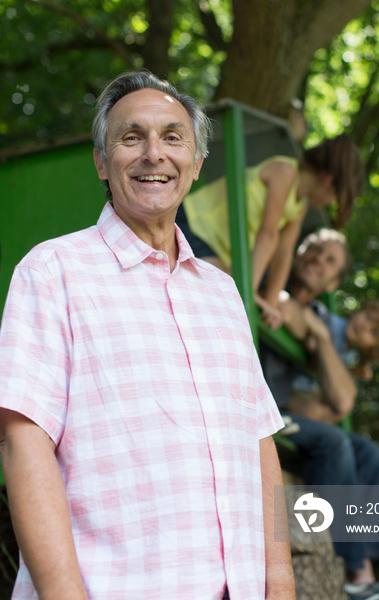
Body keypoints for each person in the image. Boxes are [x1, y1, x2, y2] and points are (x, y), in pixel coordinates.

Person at [0, 70, 295, 600]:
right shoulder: (51, 271)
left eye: (173, 137)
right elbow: (23, 443)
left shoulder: (223, 293)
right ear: (101, 161)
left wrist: (281, 582)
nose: (153, 154)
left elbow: (259, 441)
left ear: (197, 164)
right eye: (131, 137)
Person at [260, 230, 379, 600]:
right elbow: (288, 310)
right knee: (334, 440)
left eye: (330, 261)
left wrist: (320, 337)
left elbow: (342, 401)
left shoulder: (322, 319)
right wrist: (312, 330)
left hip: (288, 411)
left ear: (335, 281)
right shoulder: (269, 281)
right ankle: (355, 570)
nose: (318, 262)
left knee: (367, 451)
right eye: (316, 252)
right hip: (266, 410)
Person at [177, 134, 364, 327]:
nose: (332, 203)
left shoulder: (301, 205)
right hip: (193, 225)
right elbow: (268, 234)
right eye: (336, 197)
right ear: (328, 180)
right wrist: (248, 293)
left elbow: (284, 253)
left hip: (216, 250)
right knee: (223, 288)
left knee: (224, 285)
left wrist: (271, 303)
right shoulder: (285, 171)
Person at [284, 298, 379, 414]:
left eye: (374, 333)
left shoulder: (351, 359)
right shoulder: (326, 321)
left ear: (373, 350)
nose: (364, 327)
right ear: (359, 311)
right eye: (368, 317)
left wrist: (352, 372)